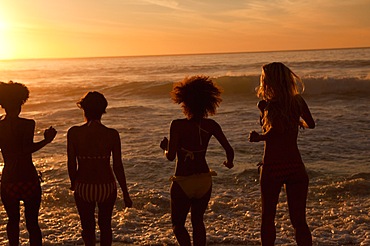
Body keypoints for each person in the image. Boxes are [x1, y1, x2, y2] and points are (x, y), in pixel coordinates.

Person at [160, 75, 234, 246]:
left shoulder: (177, 125)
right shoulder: (212, 125)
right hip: (204, 181)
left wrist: (165, 147)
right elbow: (229, 150)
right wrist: (229, 163)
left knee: (178, 225)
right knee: (198, 222)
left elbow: (171, 157)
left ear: (184, 101)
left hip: (183, 181)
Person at [248, 62, 315, 246]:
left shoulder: (268, 104)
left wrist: (259, 137)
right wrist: (297, 123)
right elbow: (311, 123)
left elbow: (275, 131)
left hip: (273, 165)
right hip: (295, 165)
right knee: (299, 221)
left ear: (269, 81)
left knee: (268, 218)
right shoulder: (298, 101)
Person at [67, 91, 132, 246]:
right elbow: (117, 166)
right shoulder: (112, 134)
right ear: (103, 110)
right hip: (106, 185)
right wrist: (125, 192)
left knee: (87, 228)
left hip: (84, 185)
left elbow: (71, 163)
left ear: (83, 109)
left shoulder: (74, 132)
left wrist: (73, 183)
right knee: (106, 227)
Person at [0, 81, 57, 246]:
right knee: (32, 223)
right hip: (28, 178)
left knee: (12, 221)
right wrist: (46, 141)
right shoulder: (28, 124)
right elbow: (26, 149)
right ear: (20, 104)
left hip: (9, 179)